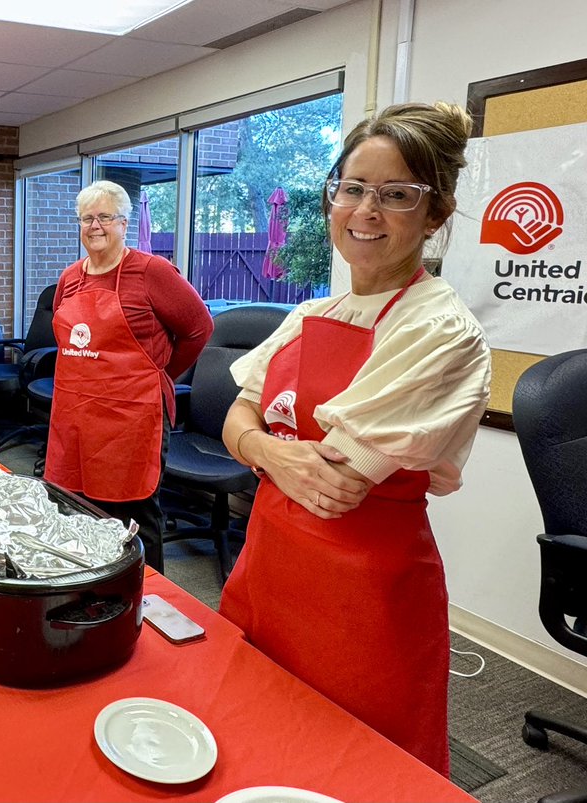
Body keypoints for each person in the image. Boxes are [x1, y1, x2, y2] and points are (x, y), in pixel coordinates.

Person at [218, 102, 491, 776]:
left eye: (397, 194)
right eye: (353, 188)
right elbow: (233, 419)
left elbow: (336, 481)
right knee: (257, 741)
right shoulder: (312, 312)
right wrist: (273, 450)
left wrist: (261, 445)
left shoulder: (440, 329)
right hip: (269, 564)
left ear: (435, 214)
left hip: (362, 597)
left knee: (355, 769)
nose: (367, 210)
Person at [45, 180, 213, 572]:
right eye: (87, 218)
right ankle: (89, 586)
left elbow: (198, 329)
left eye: (105, 217)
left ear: (124, 223)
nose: (95, 226)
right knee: (78, 507)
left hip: (132, 417)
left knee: (134, 514)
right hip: (76, 414)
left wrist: (157, 373)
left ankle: (148, 596)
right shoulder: (70, 278)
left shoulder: (151, 272)